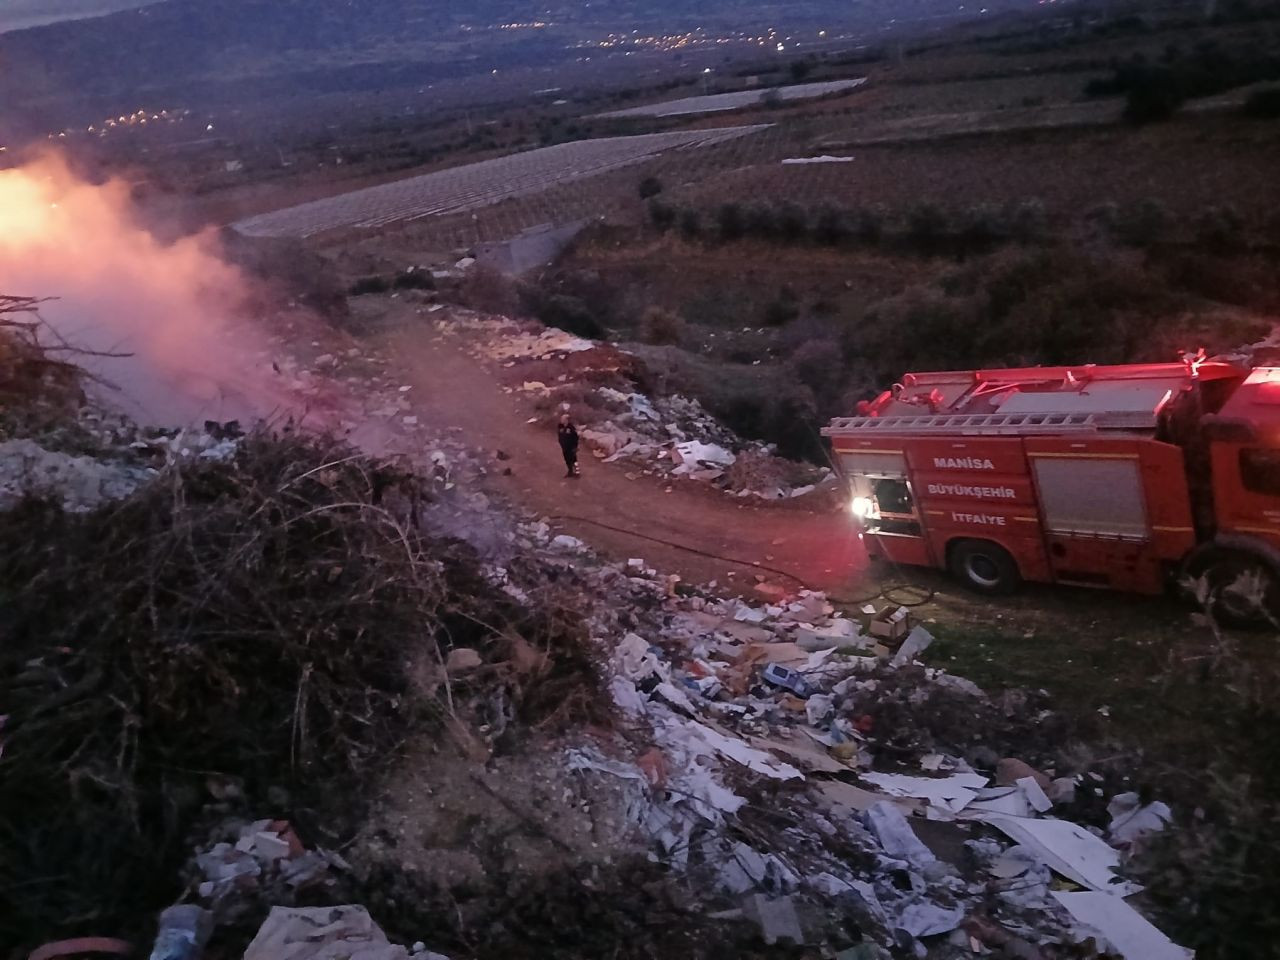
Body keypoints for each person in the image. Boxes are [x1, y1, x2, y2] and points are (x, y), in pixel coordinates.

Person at [557, 414, 580, 478]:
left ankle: (577, 472)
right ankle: (570, 471)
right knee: (567, 459)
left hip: (571, 447)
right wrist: (560, 442)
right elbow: (559, 434)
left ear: (566, 420)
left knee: (574, 460)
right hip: (564, 447)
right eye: (561, 419)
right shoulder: (560, 426)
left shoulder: (571, 428)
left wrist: (575, 446)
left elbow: (576, 437)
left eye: (563, 419)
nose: (561, 420)